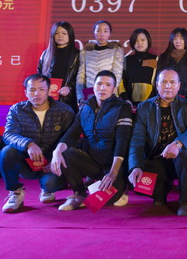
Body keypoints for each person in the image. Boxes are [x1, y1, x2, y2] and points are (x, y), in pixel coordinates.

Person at [51, 70, 133, 211]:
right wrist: (56, 151)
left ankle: (121, 189)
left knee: (108, 201)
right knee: (65, 153)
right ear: (93, 86)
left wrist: (113, 173)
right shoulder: (85, 107)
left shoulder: (122, 107)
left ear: (114, 89)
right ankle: (79, 194)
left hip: (114, 166)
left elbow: (122, 141)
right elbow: (71, 134)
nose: (102, 88)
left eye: (108, 85)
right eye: (99, 84)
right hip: (94, 164)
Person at [128, 69, 187, 217]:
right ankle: (161, 191)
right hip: (156, 159)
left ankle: (185, 201)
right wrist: (135, 166)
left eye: (172, 82)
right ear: (157, 84)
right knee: (137, 183)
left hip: (180, 158)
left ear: (179, 85)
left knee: (186, 153)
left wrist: (178, 144)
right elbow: (137, 140)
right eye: (164, 82)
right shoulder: (144, 107)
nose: (168, 86)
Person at [0, 74, 75, 213]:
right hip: (27, 161)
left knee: (51, 183)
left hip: (52, 162)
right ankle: (15, 192)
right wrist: (29, 144)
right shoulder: (17, 110)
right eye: (32, 90)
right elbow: (8, 134)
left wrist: (55, 160)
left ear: (49, 91)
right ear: (26, 92)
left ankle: (47, 189)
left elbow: (71, 139)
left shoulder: (64, 111)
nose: (37, 94)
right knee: (7, 152)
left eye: (41, 89)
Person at [76, 20, 124, 104]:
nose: (102, 34)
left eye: (105, 31)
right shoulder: (85, 51)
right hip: (89, 96)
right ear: (94, 32)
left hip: (109, 95)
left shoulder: (116, 50)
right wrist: (80, 97)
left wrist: (110, 91)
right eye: (98, 31)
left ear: (109, 34)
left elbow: (117, 75)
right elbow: (81, 77)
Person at [37, 21, 80, 112]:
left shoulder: (78, 55)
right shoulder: (46, 54)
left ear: (70, 35)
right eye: (56, 33)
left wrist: (69, 88)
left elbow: (81, 78)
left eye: (64, 33)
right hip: (48, 99)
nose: (60, 36)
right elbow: (39, 75)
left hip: (69, 100)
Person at [157, 27, 187, 102]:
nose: (178, 41)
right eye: (175, 39)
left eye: (181, 38)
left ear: (186, 40)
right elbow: (159, 80)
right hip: (165, 100)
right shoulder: (164, 57)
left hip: (186, 101)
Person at [119, 28, 158, 109]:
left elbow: (159, 83)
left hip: (151, 104)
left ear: (148, 41)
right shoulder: (126, 60)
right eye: (136, 40)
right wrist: (126, 99)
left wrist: (153, 100)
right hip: (129, 105)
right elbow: (120, 82)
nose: (139, 43)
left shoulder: (156, 59)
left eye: (142, 40)